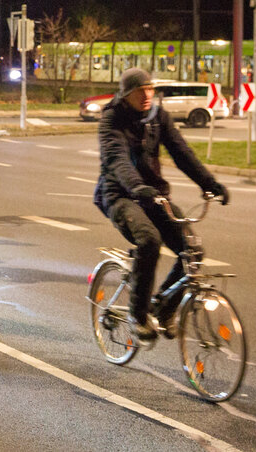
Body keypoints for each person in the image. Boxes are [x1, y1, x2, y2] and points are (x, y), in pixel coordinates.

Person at [95, 68, 230, 343]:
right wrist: (136, 187)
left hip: (153, 196)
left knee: (192, 251)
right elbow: (116, 159)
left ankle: (164, 308)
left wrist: (210, 184)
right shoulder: (112, 120)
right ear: (126, 94)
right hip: (120, 195)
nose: (147, 95)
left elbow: (182, 153)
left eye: (150, 89)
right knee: (149, 240)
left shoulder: (159, 118)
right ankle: (138, 315)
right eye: (139, 91)